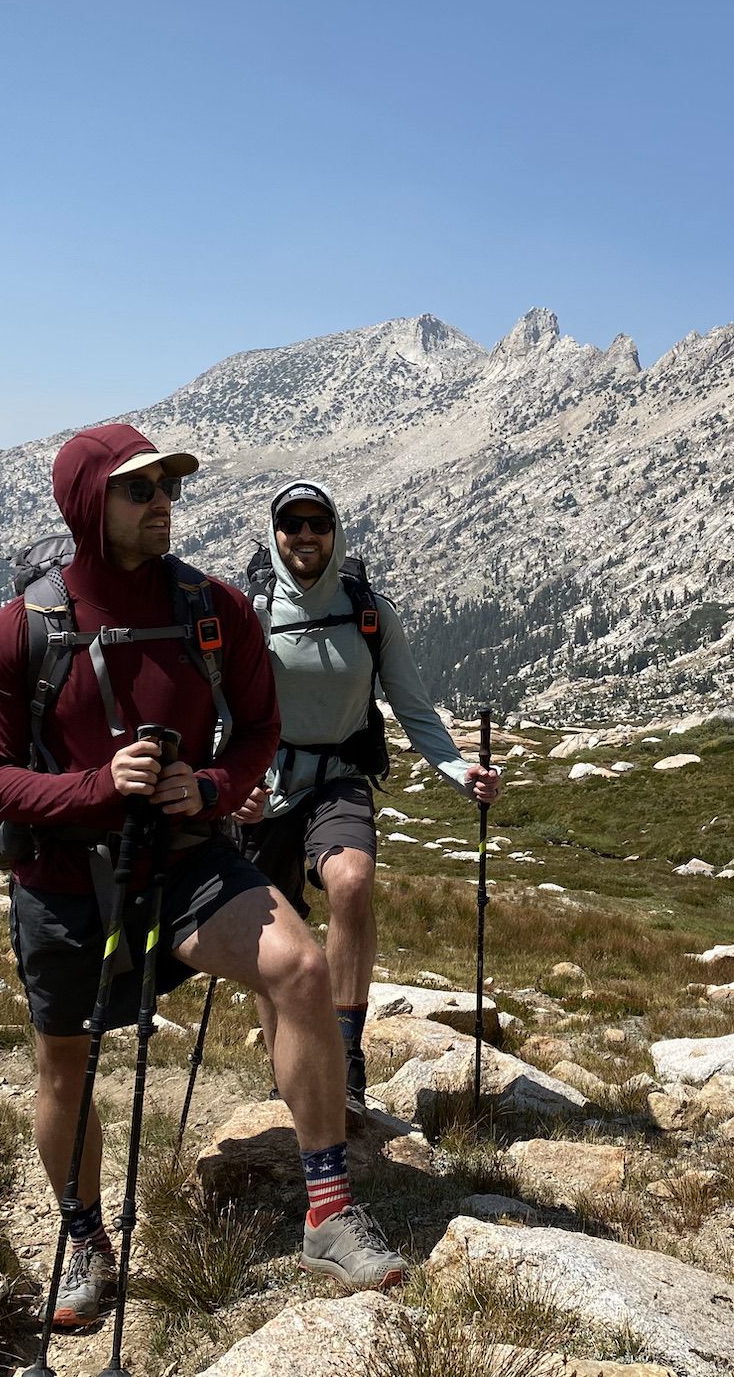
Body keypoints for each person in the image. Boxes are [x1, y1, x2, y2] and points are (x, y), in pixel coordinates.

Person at [0, 427, 407, 1330]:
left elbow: (255, 732)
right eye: (139, 490)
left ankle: (328, 1208)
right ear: (89, 504)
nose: (163, 500)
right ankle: (85, 1239)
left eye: (168, 486)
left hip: (184, 856)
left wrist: (206, 786)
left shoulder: (214, 611)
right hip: (63, 877)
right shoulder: (16, 635)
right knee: (66, 1066)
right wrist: (96, 787)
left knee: (302, 968)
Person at [235, 479, 502, 1121]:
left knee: (352, 882)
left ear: (336, 531)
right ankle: (290, 1080)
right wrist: (227, 783)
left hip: (340, 775)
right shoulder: (251, 614)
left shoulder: (370, 611)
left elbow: (411, 705)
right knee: (274, 937)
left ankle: (345, 1058)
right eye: (291, 524)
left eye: (317, 523)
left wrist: (459, 771)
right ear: (274, 533)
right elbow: (221, 706)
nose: (304, 535)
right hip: (264, 787)